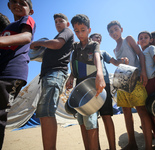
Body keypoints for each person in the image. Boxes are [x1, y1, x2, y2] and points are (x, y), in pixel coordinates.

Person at [30, 13, 74, 150]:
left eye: (61, 21)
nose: (58, 23)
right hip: (49, 75)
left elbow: (57, 45)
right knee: (44, 112)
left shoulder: (67, 32)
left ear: (67, 24)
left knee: (46, 111)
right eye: (56, 22)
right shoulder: (58, 35)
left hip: (55, 74)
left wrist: (38, 43)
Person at [107, 20, 153, 150]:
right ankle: (132, 143)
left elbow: (140, 54)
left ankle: (149, 146)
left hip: (136, 78)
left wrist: (143, 71)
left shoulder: (128, 39)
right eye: (111, 31)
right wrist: (119, 62)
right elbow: (118, 63)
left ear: (121, 29)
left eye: (116, 29)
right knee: (126, 112)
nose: (114, 32)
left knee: (141, 111)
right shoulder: (114, 49)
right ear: (109, 35)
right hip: (122, 81)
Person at [65, 14, 106, 150]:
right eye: (76, 31)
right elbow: (74, 66)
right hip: (79, 87)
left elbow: (96, 59)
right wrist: (71, 77)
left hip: (91, 88)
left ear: (89, 30)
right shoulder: (75, 47)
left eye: (83, 30)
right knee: (81, 121)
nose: (80, 34)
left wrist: (99, 73)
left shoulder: (94, 44)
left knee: (90, 120)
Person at [0, 0, 35, 149]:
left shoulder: (27, 20)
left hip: (11, 73)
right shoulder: (7, 28)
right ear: (8, 6)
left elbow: (26, 37)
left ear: (30, 11)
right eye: (14, 1)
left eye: (23, 3)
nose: (18, 4)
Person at [90, 33, 129, 150]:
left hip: (104, 85)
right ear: (90, 39)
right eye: (96, 37)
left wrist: (122, 61)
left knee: (106, 116)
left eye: (100, 38)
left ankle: (112, 147)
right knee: (92, 119)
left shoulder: (103, 53)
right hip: (90, 86)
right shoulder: (85, 51)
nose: (98, 39)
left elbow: (115, 62)